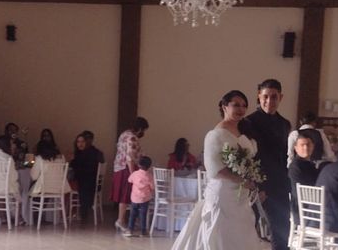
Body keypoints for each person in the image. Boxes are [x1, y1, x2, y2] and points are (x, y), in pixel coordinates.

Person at [172, 90, 261, 250]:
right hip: (223, 193)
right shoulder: (215, 135)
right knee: (221, 233)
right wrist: (242, 180)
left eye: (244, 106)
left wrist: (250, 175)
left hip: (240, 196)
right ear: (224, 106)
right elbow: (215, 170)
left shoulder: (243, 131)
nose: (241, 109)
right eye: (236, 105)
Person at [242, 78, 292, 250]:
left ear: (281, 98)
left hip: (279, 184)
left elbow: (284, 156)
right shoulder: (248, 122)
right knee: (248, 228)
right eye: (265, 96)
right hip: (256, 183)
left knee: (281, 229)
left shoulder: (285, 124)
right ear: (259, 96)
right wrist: (258, 185)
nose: (269, 101)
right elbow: (248, 157)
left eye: (274, 97)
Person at [111, 116, 149, 232]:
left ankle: (123, 220)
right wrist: (133, 175)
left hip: (119, 167)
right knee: (125, 196)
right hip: (126, 169)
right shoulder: (132, 138)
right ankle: (121, 220)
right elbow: (129, 157)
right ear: (140, 128)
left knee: (125, 196)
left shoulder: (124, 134)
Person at [69, 132, 104, 221]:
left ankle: (70, 213)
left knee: (65, 187)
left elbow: (80, 168)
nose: (80, 144)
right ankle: (73, 213)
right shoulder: (83, 153)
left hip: (88, 182)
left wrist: (72, 161)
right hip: (89, 182)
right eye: (78, 142)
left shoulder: (89, 154)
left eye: (82, 141)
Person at [288, 131, 319, 225]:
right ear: (295, 148)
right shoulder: (295, 167)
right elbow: (300, 193)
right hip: (303, 212)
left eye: (308, 145)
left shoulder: (311, 165)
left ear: (313, 147)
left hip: (312, 208)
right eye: (302, 145)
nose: (306, 148)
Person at [124, 155, 154, 237]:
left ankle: (130, 230)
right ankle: (143, 231)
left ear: (139, 165)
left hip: (134, 198)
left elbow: (129, 180)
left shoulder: (135, 174)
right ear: (149, 166)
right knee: (143, 215)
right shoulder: (149, 176)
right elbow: (152, 187)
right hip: (145, 198)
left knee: (132, 214)